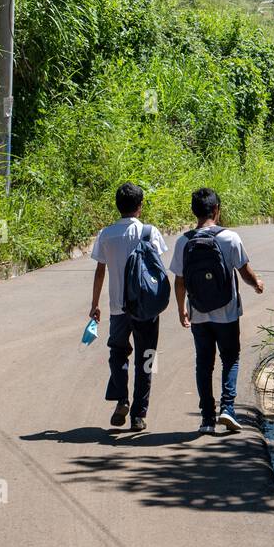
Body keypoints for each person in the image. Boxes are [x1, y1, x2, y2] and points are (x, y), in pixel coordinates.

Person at [169, 188, 263, 435]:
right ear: (217, 210)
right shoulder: (230, 238)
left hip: (198, 312)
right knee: (230, 358)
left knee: (204, 363)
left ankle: (207, 419)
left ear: (194, 211)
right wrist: (257, 285)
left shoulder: (183, 241)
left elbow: (179, 281)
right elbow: (245, 272)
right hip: (227, 313)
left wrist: (181, 309)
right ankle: (228, 409)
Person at [90, 182, 168, 433]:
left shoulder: (106, 234)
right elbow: (158, 267)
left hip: (117, 308)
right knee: (146, 358)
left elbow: (100, 271)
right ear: (140, 206)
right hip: (145, 308)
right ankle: (138, 415)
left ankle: (122, 398)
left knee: (117, 353)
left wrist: (94, 305)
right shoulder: (149, 232)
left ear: (118, 206)